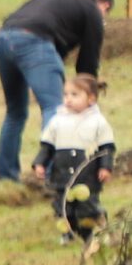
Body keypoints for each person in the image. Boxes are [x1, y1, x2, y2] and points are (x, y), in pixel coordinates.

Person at [0, 0, 113, 180]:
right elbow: (87, 62)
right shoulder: (92, 10)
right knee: (55, 109)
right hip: (35, 41)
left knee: (15, 113)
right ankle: (56, 176)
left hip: (4, 38)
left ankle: (7, 178)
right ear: (104, 6)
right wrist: (88, 96)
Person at [32, 71, 116, 242]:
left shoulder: (98, 122)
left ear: (91, 99)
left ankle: (89, 231)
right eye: (66, 95)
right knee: (62, 207)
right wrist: (39, 164)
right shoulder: (57, 120)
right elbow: (47, 147)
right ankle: (67, 233)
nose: (68, 99)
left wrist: (105, 167)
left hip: (87, 175)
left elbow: (106, 147)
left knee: (86, 206)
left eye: (75, 95)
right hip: (61, 174)